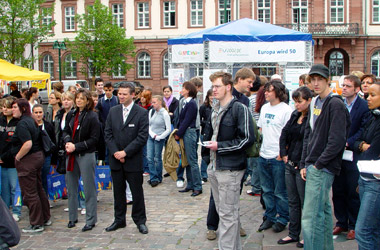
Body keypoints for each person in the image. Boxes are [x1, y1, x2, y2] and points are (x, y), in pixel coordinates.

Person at [300, 64, 350, 250]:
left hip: (323, 166)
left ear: (327, 80)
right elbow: (309, 134)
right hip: (316, 164)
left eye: (319, 79)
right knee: (323, 212)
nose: (316, 83)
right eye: (313, 79)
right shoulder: (315, 102)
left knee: (311, 216)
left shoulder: (335, 104)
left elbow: (337, 140)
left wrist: (318, 164)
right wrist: (306, 162)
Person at [203, 71, 254, 250]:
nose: (214, 90)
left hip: (230, 170)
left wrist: (220, 146)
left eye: (217, 86)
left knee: (228, 215)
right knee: (225, 213)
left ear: (228, 87)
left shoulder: (239, 108)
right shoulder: (215, 108)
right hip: (215, 166)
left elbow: (247, 139)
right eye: (212, 86)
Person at [104, 82, 149, 234]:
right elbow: (108, 134)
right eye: (120, 93)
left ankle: (140, 221)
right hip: (116, 159)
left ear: (133, 95)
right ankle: (119, 220)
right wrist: (116, 152)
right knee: (118, 192)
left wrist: (125, 152)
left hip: (133, 160)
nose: (121, 96)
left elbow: (142, 137)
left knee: (137, 193)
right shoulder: (113, 111)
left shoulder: (141, 113)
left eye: (124, 94)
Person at [332, 75, 370, 240]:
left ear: (356, 89)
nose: (344, 88)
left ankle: (354, 225)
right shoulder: (338, 103)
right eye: (343, 85)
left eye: (348, 86)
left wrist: (349, 142)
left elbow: (363, 129)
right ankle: (341, 222)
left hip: (353, 153)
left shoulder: (363, 106)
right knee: (338, 189)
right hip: (337, 154)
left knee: (352, 191)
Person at [277, 87, 312, 247]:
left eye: (300, 102)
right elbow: (284, 133)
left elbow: (308, 142)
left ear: (309, 101)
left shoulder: (311, 118)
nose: (297, 105)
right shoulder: (295, 115)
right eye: (295, 102)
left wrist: (303, 163)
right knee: (293, 201)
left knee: (305, 202)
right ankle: (293, 233)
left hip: (301, 165)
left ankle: (307, 235)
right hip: (290, 163)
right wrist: (283, 152)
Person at [10, 98, 51, 233]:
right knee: (38, 189)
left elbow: (27, 144)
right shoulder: (31, 120)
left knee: (30, 193)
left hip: (29, 160)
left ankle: (36, 223)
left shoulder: (23, 123)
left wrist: (18, 157)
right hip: (38, 157)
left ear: (22, 108)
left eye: (15, 107)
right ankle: (45, 218)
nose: (12, 110)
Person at [257, 79, 292, 233]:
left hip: (277, 157)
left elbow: (289, 135)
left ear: (277, 92)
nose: (266, 93)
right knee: (267, 189)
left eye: (269, 90)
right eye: (265, 90)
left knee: (280, 191)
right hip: (263, 155)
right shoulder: (264, 108)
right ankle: (269, 217)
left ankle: (283, 218)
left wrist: (282, 153)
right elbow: (261, 129)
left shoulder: (286, 110)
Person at [62, 89, 100, 232]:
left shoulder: (92, 116)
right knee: (71, 187)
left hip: (85, 154)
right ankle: (72, 217)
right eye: (77, 98)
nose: (78, 101)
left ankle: (91, 219)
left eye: (82, 99)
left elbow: (94, 139)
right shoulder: (71, 114)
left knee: (88, 188)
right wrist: (67, 142)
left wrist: (76, 146)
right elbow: (65, 131)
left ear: (87, 101)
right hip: (71, 154)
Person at [354, 81, 380, 250]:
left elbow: (373, 150)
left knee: (362, 231)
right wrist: (362, 145)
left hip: (375, 182)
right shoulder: (372, 116)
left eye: (373, 95)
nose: (368, 98)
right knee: (374, 230)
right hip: (365, 178)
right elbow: (358, 141)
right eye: (367, 95)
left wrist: (363, 147)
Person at [176, 82, 203, 197]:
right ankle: (190, 184)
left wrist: (179, 133)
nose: (182, 90)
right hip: (185, 132)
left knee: (192, 160)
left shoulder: (191, 103)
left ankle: (197, 186)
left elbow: (187, 120)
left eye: (183, 88)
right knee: (186, 160)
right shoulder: (185, 102)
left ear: (188, 90)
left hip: (189, 132)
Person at [0, 96, 21, 222]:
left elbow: (15, 144)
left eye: (7, 107)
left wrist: (5, 156)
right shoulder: (1, 121)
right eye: (2, 107)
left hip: (12, 161)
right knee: (4, 189)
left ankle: (17, 210)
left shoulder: (17, 123)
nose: (5, 110)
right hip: (1, 162)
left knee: (15, 188)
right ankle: (5, 211)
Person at [32, 104, 57, 197]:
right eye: (36, 112)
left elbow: (53, 142)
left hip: (46, 156)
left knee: (44, 178)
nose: (38, 115)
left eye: (40, 112)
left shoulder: (48, 126)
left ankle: (45, 198)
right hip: (33, 156)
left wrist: (54, 160)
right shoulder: (30, 125)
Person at [147, 95, 171, 187]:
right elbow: (148, 125)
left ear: (160, 102)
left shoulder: (164, 113)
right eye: (152, 102)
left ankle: (158, 177)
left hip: (159, 137)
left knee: (157, 158)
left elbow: (168, 129)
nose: (152, 104)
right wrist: (152, 134)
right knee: (149, 157)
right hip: (151, 136)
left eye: (154, 102)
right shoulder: (151, 111)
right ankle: (153, 177)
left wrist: (160, 137)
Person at [199, 89, 213, 182]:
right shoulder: (204, 107)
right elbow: (199, 120)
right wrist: (207, 123)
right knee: (205, 154)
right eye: (210, 96)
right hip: (205, 132)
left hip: (214, 133)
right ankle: (203, 174)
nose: (212, 98)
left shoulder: (219, 106)